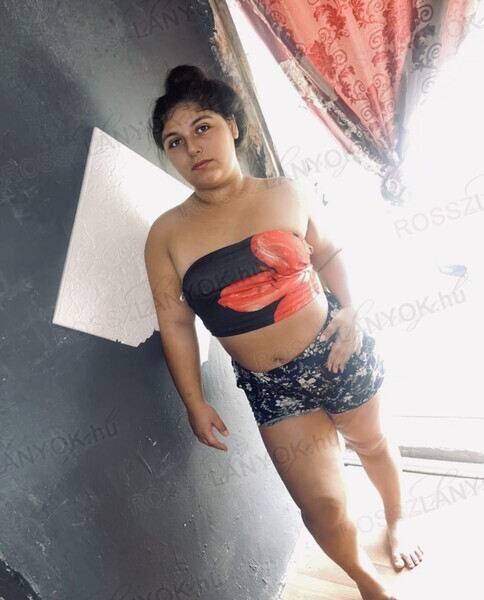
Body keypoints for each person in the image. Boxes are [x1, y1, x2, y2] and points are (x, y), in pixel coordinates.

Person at [144, 64, 423, 600]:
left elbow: (330, 252)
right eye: (175, 142)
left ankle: (397, 519)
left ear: (232, 127)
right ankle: (365, 580)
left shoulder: (286, 191)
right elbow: (174, 320)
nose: (192, 148)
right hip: (271, 387)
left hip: (336, 352)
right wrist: (193, 401)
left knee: (372, 443)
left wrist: (351, 309)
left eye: (202, 127)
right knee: (321, 505)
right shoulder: (165, 234)